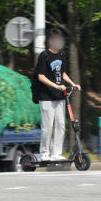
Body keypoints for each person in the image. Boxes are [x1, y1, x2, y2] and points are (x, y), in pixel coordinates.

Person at [34, 28, 81, 161]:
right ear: (50, 40)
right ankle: (44, 152)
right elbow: (41, 77)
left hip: (60, 96)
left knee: (61, 124)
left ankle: (56, 153)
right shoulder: (44, 55)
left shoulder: (61, 54)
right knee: (47, 126)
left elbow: (63, 73)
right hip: (46, 96)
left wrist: (73, 84)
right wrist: (56, 86)